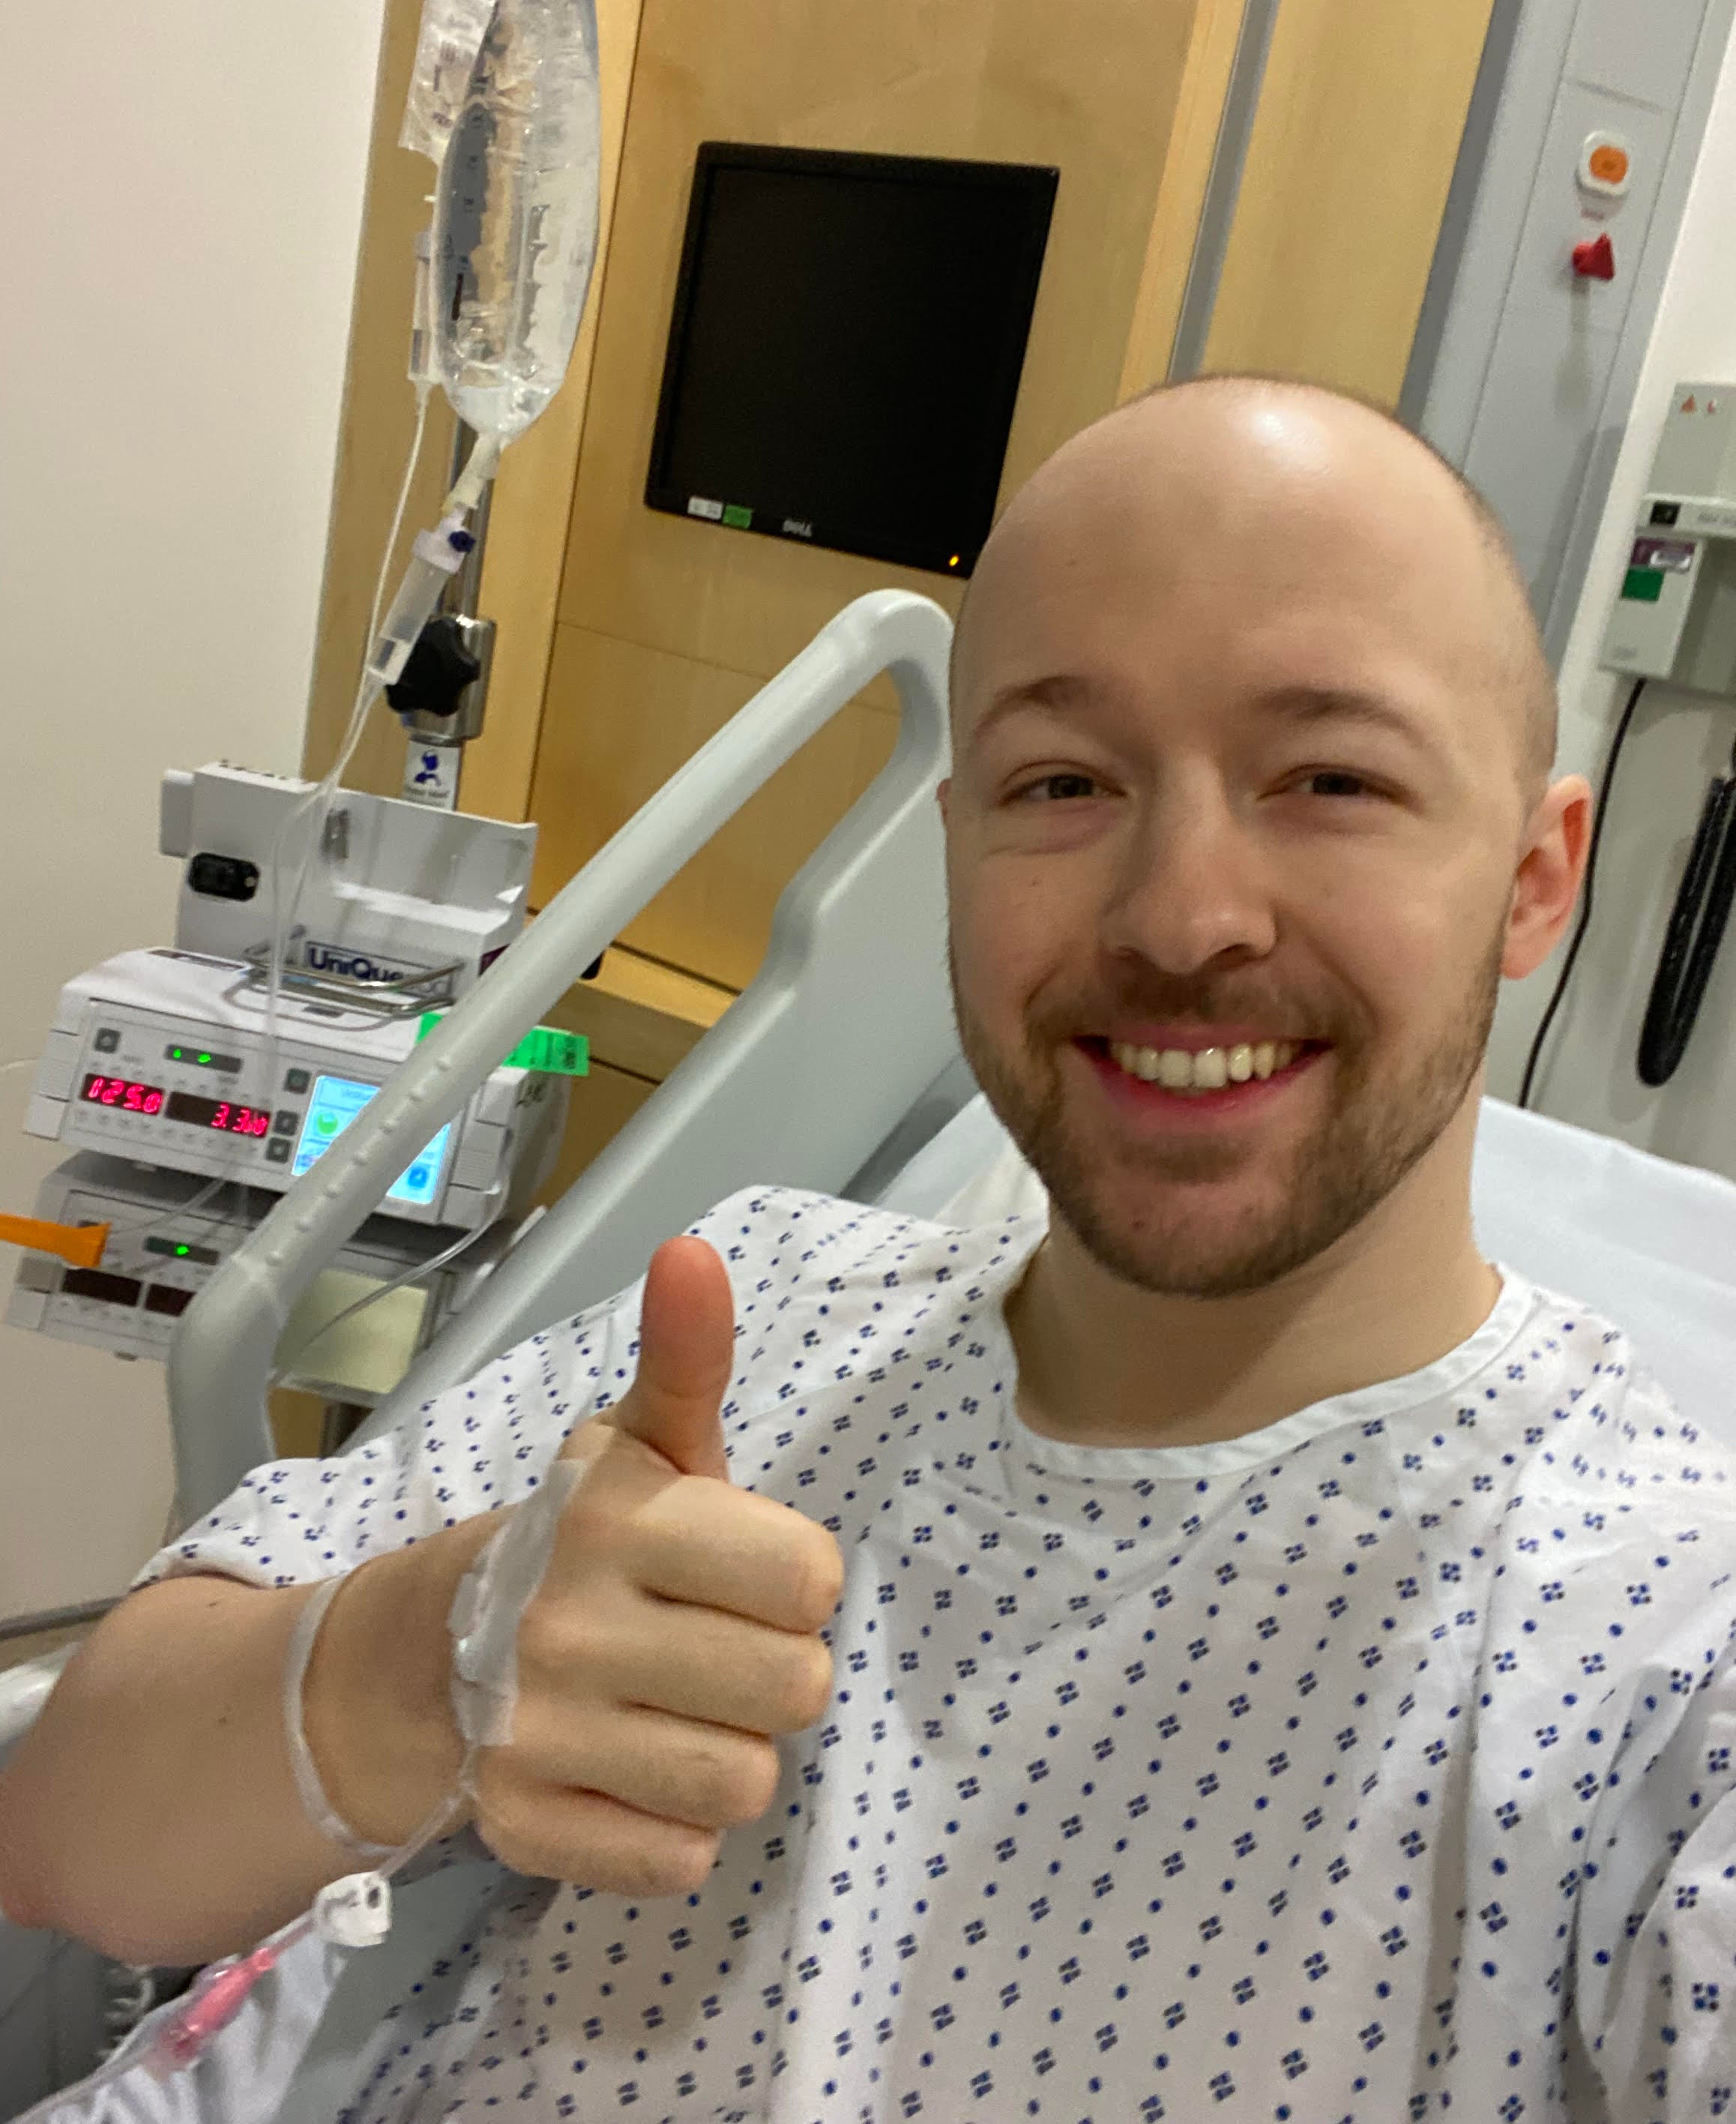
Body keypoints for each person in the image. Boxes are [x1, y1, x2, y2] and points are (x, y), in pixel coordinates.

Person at [3, 376, 1732, 2122]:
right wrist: (423, 1666)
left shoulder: (1651, 1648)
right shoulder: (757, 1316)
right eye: (1064, 779)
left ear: (1535, 877)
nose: (1182, 914)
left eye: (1333, 778)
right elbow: (61, 1832)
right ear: (960, 845)